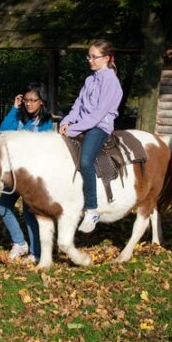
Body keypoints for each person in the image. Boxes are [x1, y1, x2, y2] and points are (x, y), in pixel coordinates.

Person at [59, 39, 123, 233]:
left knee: (86, 160)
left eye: (94, 57)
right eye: (89, 56)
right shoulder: (90, 80)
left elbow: (98, 114)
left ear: (107, 58)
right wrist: (66, 122)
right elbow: (78, 106)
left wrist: (73, 130)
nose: (90, 60)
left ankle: (92, 209)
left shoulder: (110, 81)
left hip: (99, 126)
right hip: (81, 125)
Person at [0, 82, 53, 263]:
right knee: (3, 207)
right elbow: (2, 132)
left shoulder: (45, 121)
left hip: (31, 175)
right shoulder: (19, 116)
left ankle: (36, 253)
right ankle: (19, 243)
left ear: (41, 101)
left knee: (29, 213)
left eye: (33, 100)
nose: (29, 104)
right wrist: (14, 108)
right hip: (14, 174)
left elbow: (42, 147)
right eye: (26, 100)